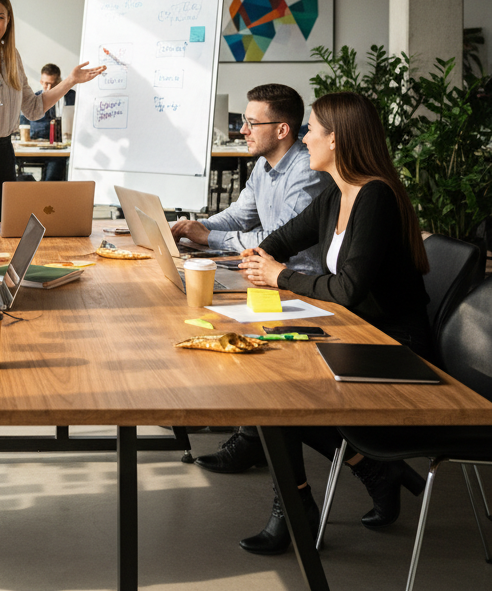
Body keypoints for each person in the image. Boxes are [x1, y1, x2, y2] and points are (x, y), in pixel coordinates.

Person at [235, 91, 431, 555]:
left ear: (336, 141)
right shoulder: (334, 195)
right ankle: (372, 471)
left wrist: (282, 276)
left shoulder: (375, 197)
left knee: (279, 395)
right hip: (354, 331)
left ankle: (298, 508)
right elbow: (281, 240)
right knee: (268, 381)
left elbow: (347, 290)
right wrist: (258, 257)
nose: (305, 139)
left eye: (312, 131)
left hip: (395, 346)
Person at [170, 83, 331, 475]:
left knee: (226, 322)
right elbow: (240, 217)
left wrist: (208, 238)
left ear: (282, 130)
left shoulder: (306, 173)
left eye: (251, 123)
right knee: (195, 306)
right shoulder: (265, 166)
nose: (242, 130)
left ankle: (251, 436)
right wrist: (196, 226)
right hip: (266, 278)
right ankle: (250, 434)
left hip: (301, 286)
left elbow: (274, 240)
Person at [0, 0, 104, 221]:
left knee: (3, 232)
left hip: (3, 154)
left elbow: (33, 108)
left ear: (8, 20)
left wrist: (70, 81)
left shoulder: (12, 58)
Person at [18, 63, 76, 181]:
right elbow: (24, 125)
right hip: (35, 148)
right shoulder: (35, 99)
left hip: (58, 150)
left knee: (54, 171)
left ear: (59, 81)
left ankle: (47, 192)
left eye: (51, 84)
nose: (47, 88)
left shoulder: (71, 97)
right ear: (40, 81)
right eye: (44, 83)